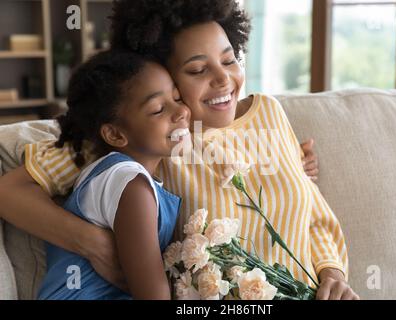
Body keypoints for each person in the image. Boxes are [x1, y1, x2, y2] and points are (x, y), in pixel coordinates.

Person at [0, 0, 358, 300]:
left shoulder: (269, 113)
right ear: (163, 78)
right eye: (198, 69)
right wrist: (94, 244)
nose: (222, 79)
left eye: (229, 60)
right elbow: (10, 192)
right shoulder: (154, 139)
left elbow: (313, 216)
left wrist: (333, 274)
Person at [38, 50, 190, 299]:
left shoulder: (123, 177)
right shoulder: (129, 184)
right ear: (116, 135)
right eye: (158, 109)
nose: (181, 111)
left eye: (176, 96)